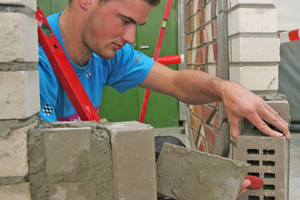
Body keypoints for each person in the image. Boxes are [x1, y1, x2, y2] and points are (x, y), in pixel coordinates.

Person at [38, 0, 291, 198]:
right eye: (125, 20)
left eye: (136, 25)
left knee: (169, 148)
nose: (131, 38)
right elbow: (52, 173)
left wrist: (225, 88)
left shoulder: (109, 55)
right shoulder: (36, 64)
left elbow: (175, 82)